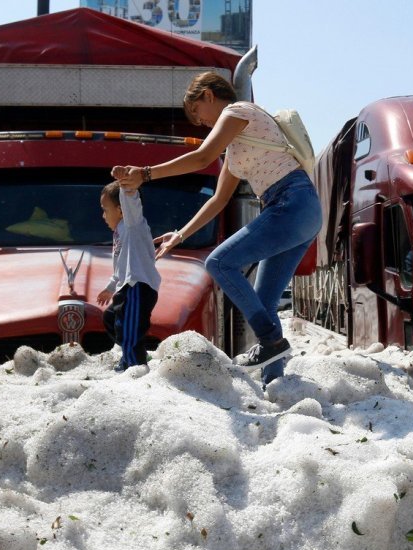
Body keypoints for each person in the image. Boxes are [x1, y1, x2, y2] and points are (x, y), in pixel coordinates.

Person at [112, 71, 322, 384]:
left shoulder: (237, 111)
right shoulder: (236, 150)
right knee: (263, 303)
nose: (201, 123)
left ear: (209, 95)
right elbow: (218, 200)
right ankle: (274, 383)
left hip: (291, 203)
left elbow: (201, 158)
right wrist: (181, 234)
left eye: (197, 113)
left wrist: (146, 173)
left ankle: (272, 342)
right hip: (300, 211)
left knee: (219, 262)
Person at [96, 181, 161, 372]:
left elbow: (131, 202)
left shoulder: (132, 225)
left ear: (121, 210)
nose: (103, 215)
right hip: (125, 286)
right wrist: (110, 287)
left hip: (138, 286)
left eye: (105, 210)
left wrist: (127, 185)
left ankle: (133, 366)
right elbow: (120, 268)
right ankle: (135, 353)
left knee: (130, 329)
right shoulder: (120, 232)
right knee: (111, 318)